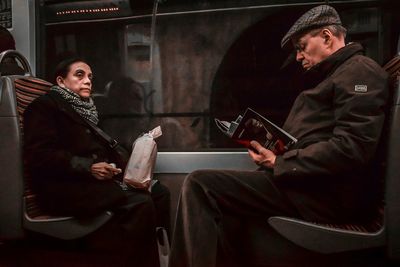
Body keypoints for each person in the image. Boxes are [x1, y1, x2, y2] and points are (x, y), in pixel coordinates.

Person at [168, 5, 388, 267]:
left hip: (323, 195)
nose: (298, 56)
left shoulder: (360, 72)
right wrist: (279, 149)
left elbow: (352, 147)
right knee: (225, 208)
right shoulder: (336, 75)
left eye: (302, 46)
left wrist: (280, 162)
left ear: (327, 37)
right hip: (308, 186)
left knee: (199, 185)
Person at [23, 58, 170, 267]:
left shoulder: (84, 110)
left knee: (159, 193)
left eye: (90, 77)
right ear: (61, 81)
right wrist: (89, 167)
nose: (88, 81)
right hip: (63, 188)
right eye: (79, 75)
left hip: (87, 182)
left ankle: (163, 258)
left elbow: (96, 149)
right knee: (140, 202)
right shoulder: (43, 108)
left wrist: (126, 167)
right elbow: (41, 155)